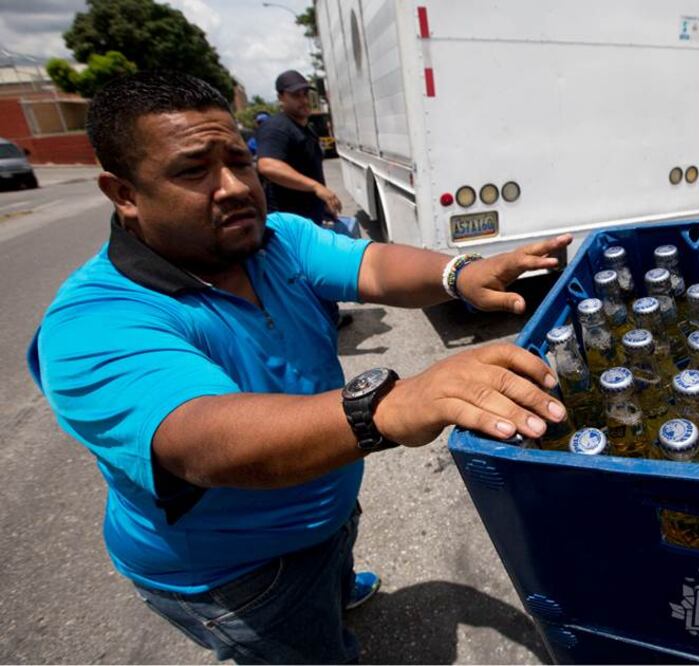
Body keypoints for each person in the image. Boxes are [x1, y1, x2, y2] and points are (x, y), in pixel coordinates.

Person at [26, 71, 571, 665]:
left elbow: (372, 264)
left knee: (333, 564)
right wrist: (386, 407)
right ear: (123, 192)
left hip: (324, 502)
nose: (234, 187)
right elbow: (206, 442)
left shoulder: (274, 239)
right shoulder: (93, 322)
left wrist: (459, 275)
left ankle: (334, 584)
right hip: (240, 575)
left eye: (240, 160)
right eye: (193, 171)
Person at [256, 70, 340, 225]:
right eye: (295, 95)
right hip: (290, 224)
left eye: (305, 94)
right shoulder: (276, 127)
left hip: (310, 220)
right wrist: (315, 187)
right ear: (281, 98)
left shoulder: (306, 129)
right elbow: (267, 165)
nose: (303, 100)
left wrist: (322, 204)